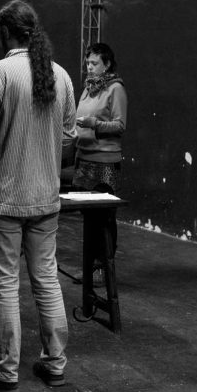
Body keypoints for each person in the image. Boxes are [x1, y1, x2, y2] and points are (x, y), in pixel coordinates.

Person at [0, 0, 77, 392]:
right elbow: (69, 133)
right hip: (46, 195)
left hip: (6, 198)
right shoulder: (59, 75)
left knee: (5, 285)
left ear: (5, 33)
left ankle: (6, 373)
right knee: (46, 279)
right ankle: (54, 364)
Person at [73, 42, 127, 287]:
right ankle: (90, 268)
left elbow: (120, 125)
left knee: (104, 220)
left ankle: (104, 270)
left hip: (104, 162)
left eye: (95, 63)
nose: (90, 67)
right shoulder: (87, 89)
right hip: (84, 160)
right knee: (89, 220)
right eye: (87, 62)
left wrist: (94, 123)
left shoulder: (115, 89)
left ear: (107, 64)